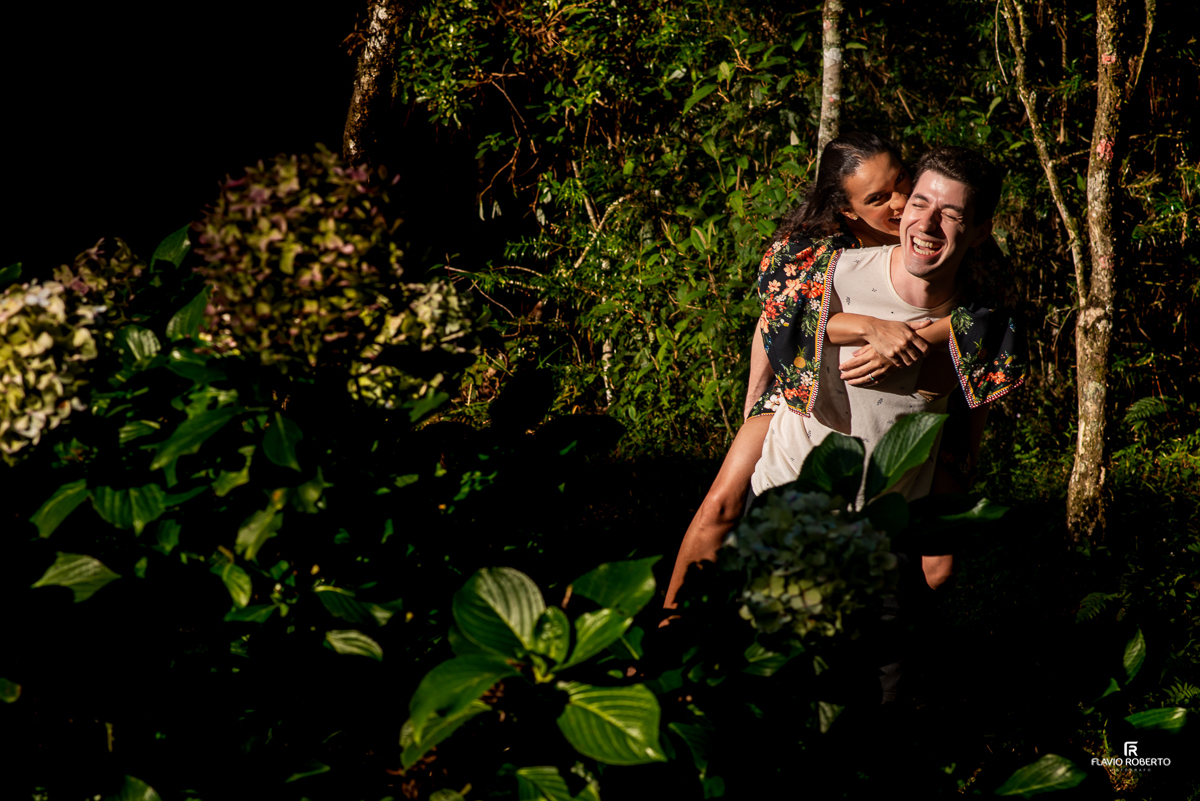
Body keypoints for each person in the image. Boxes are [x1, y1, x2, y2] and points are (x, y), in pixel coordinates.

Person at [663, 140, 1024, 612]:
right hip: (795, 377)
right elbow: (777, 322)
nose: (897, 204)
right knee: (719, 506)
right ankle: (669, 623)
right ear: (847, 210)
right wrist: (866, 329)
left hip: (920, 409)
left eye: (901, 184)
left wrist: (920, 336)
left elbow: (998, 321)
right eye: (877, 199)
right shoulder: (818, 251)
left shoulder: (954, 241)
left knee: (939, 566)